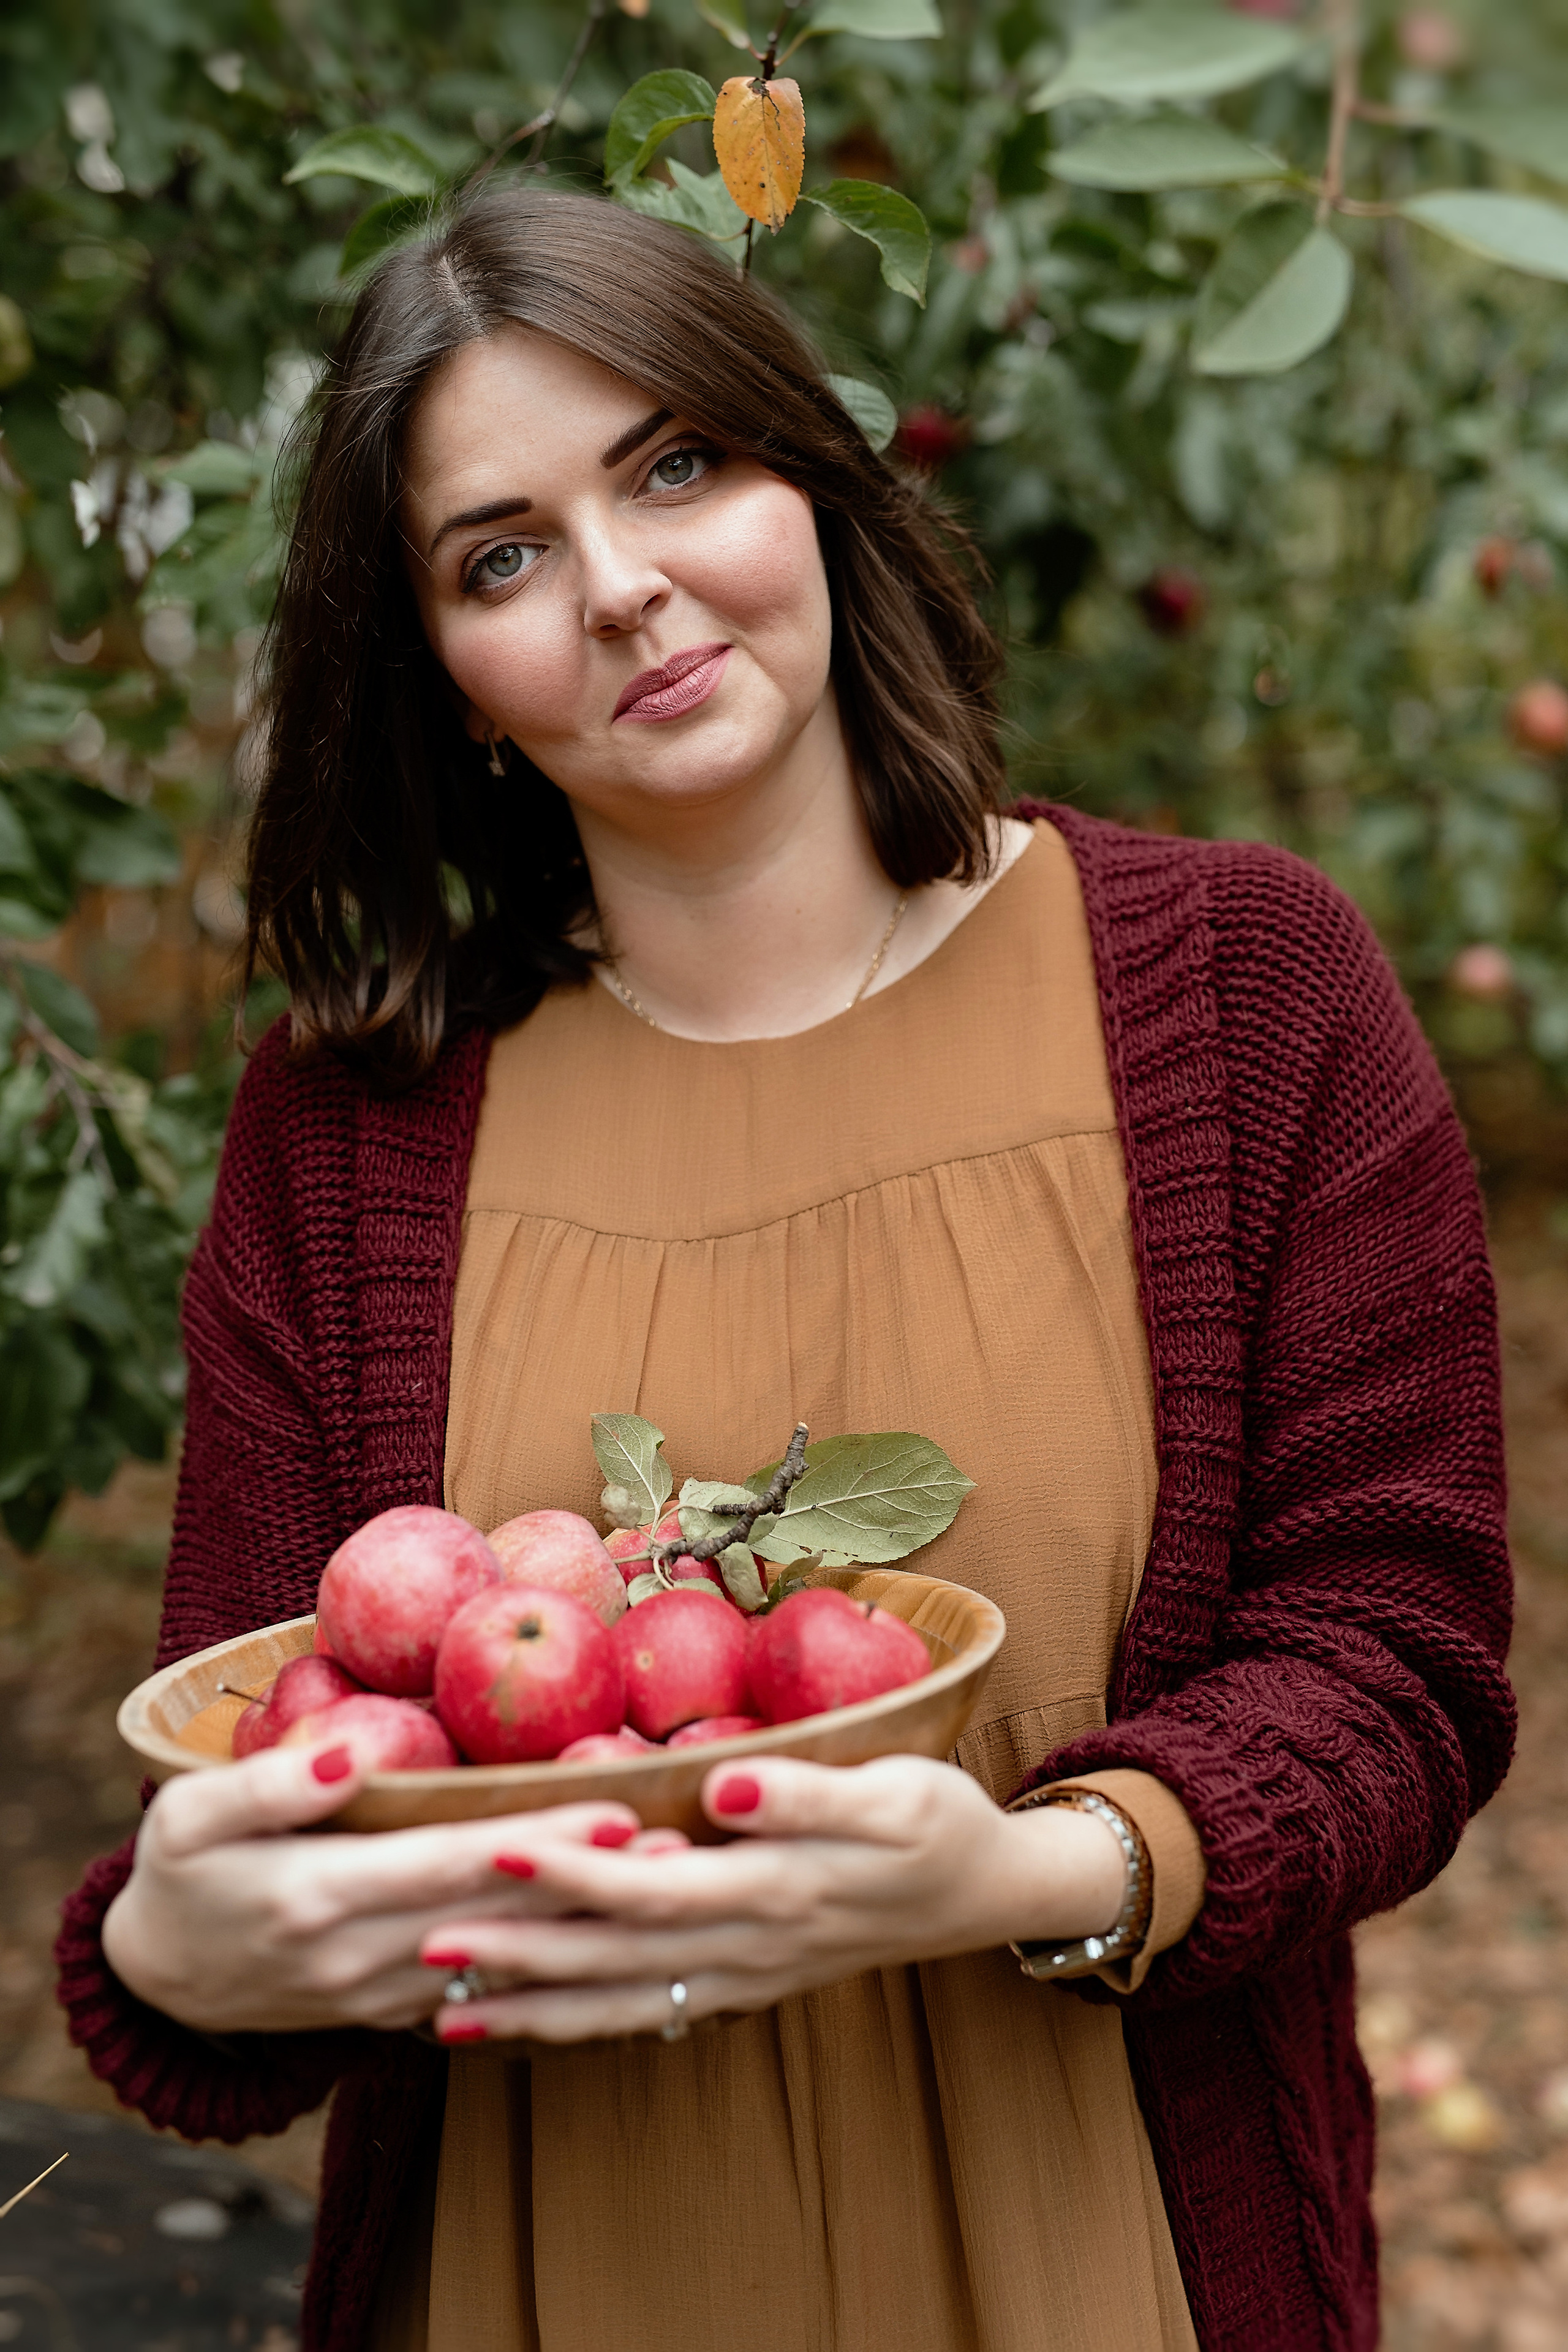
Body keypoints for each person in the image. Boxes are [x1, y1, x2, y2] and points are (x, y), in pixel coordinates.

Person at [56, 187, 1513, 2352]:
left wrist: (1041, 1871)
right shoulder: (350, 1132)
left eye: (674, 465)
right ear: (444, 673)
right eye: (504, 553)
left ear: (810, 478)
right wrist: (177, 1949)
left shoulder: (1243, 990)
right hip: (534, 2282)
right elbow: (278, 1756)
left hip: (1102, 2264)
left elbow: (1400, 1652)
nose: (628, 586)